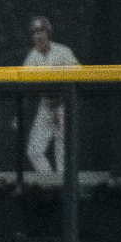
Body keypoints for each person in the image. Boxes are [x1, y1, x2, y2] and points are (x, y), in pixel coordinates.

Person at [23, 16, 80, 174]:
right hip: (45, 105)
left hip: (64, 106)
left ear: (48, 33)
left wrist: (59, 104)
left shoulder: (63, 52)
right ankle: (52, 184)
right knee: (33, 151)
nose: (38, 35)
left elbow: (80, 77)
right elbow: (27, 88)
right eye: (35, 32)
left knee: (62, 155)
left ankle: (64, 190)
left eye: (42, 31)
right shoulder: (31, 59)